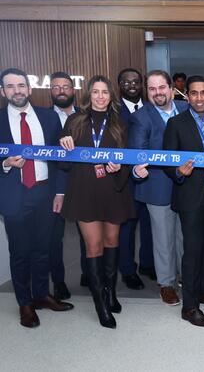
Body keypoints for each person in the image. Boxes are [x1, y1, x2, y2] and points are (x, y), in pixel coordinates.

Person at [59, 75, 148, 329]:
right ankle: (100, 304)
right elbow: (64, 165)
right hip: (85, 192)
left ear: (111, 96)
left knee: (112, 242)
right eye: (96, 92)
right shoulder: (74, 121)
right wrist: (65, 146)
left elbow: (125, 161)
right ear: (89, 95)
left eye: (104, 92)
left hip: (113, 190)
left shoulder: (120, 124)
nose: (100, 96)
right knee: (94, 246)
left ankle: (111, 293)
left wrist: (118, 166)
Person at [0, 68, 73, 328]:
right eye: (10, 86)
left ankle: (42, 295)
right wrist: (5, 164)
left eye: (21, 85)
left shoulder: (49, 118)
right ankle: (25, 303)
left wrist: (60, 192)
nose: (17, 90)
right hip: (14, 194)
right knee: (20, 252)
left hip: (45, 192)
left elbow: (61, 159)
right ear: (3, 91)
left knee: (44, 249)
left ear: (30, 89)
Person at [163, 75, 204, 327]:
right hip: (190, 197)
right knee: (192, 252)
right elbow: (168, 162)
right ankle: (190, 306)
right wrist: (179, 172)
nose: (199, 98)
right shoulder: (176, 124)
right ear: (187, 96)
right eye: (194, 93)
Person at [128, 70, 189, 306]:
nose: (157, 93)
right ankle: (166, 284)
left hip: (186, 184)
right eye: (152, 89)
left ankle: (185, 275)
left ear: (171, 89)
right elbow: (137, 153)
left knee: (185, 235)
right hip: (157, 186)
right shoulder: (141, 117)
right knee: (163, 238)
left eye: (161, 87)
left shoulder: (186, 109)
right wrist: (136, 169)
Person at [115, 68, 155, 290]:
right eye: (125, 82)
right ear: (119, 85)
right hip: (124, 181)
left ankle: (148, 264)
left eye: (136, 82)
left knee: (149, 224)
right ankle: (128, 270)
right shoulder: (113, 112)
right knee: (127, 228)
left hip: (150, 177)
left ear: (142, 84)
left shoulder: (152, 109)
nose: (131, 85)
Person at [48, 71, 77, 299]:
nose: (61, 91)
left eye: (65, 87)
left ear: (73, 90)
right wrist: (59, 190)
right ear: (51, 91)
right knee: (55, 237)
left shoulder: (87, 116)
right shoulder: (44, 118)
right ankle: (58, 281)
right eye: (56, 87)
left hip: (86, 184)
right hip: (56, 185)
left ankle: (89, 274)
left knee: (88, 234)